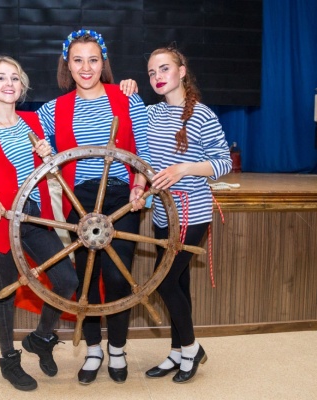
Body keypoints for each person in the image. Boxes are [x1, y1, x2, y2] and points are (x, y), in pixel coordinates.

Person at [0, 29, 151, 385]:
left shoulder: (127, 97)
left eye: (93, 60)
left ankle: (117, 349)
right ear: (67, 65)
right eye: (78, 60)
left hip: (121, 198)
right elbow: (17, 122)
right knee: (86, 278)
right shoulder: (54, 109)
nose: (86, 67)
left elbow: (143, 150)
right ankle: (94, 350)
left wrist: (140, 185)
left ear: (103, 63)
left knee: (118, 277)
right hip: (79, 201)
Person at [0, 55, 78, 391]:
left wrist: (48, 154)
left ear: (22, 86)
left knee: (66, 280)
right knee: (5, 293)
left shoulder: (33, 123)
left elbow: (49, 168)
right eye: (1, 78)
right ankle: (9, 361)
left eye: (14, 78)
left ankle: (41, 338)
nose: (8, 84)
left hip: (32, 216)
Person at [121, 46, 232, 383]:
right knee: (179, 283)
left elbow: (223, 162)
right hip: (162, 215)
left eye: (164, 69)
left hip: (191, 213)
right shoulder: (151, 114)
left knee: (165, 282)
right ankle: (176, 352)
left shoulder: (202, 115)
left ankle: (191, 349)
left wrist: (184, 168)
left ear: (182, 71)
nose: (157, 77)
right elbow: (143, 157)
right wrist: (139, 186)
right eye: (151, 72)